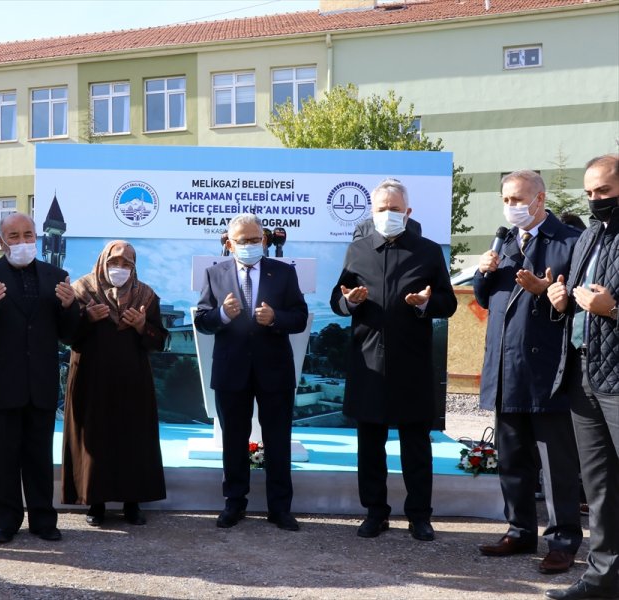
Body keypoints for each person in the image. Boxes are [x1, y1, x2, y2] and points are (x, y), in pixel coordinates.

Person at [330, 178, 457, 542]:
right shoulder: (357, 250)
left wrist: (425, 304)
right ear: (372, 212)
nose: (388, 215)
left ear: (409, 212)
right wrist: (351, 301)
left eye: (395, 209)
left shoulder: (429, 252)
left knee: (415, 445)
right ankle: (375, 512)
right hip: (368, 361)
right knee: (370, 444)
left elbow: (448, 304)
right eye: (382, 209)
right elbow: (337, 301)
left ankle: (419, 515)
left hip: (412, 365)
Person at [473, 170, 582, 574]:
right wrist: (484, 271)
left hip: (548, 372)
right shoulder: (503, 240)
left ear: (540, 198)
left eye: (518, 199)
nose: (511, 207)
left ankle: (563, 541)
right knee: (512, 458)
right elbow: (486, 300)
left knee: (556, 466)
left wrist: (549, 296)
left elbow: (582, 307)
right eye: (506, 200)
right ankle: (519, 531)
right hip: (506, 369)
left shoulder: (570, 242)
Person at [0, 213, 80, 544]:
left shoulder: (56, 276)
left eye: (28, 234)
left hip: (39, 381)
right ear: (1, 242)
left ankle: (43, 519)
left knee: (39, 455)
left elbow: (71, 335)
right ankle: (4, 520)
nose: (22, 241)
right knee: (1, 455)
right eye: (14, 236)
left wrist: (71, 307)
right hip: (0, 380)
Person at [194, 213, 308, 532]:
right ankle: (234, 503)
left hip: (275, 370)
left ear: (265, 240)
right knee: (233, 440)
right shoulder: (214, 273)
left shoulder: (284, 273)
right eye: (242, 241)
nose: (248, 245)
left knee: (277, 440)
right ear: (229, 244)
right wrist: (222, 315)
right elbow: (202, 321)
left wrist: (275, 318)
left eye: (254, 239)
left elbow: (298, 317)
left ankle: (280, 508)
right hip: (232, 370)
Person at [545, 154, 619, 600]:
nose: (595, 201)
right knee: (600, 486)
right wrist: (559, 303)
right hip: (583, 374)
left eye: (604, 192)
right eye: (589, 193)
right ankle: (602, 579)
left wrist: (613, 310)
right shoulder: (588, 237)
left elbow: (605, 307)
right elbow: (579, 306)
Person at [61, 240, 167, 526]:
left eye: (126, 264)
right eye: (114, 262)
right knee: (94, 437)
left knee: (133, 438)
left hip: (133, 380)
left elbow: (160, 340)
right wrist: (86, 318)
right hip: (90, 378)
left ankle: (133, 503)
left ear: (134, 267)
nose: (119, 269)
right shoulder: (81, 291)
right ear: (102, 262)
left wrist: (142, 326)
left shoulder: (145, 295)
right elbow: (66, 334)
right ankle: (95, 502)